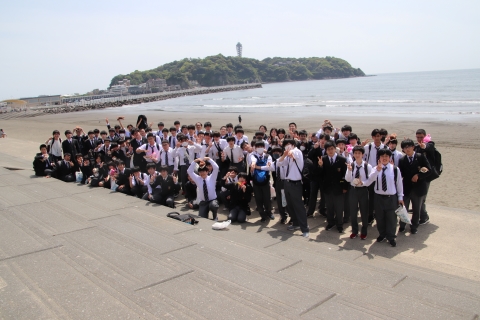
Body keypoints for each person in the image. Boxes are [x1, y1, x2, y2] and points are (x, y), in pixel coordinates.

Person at [276, 139, 309, 238]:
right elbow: (279, 163)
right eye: (285, 145)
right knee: (289, 205)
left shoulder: (297, 152)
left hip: (296, 184)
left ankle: (305, 228)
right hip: (287, 183)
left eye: (288, 145)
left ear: (293, 145)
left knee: (298, 206)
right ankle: (295, 223)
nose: (287, 147)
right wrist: (284, 155)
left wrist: (290, 152)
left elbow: (293, 152)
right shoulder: (287, 157)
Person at [398, 139, 432, 234]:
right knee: (403, 208)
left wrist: (419, 176)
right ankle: (402, 225)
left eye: (409, 146)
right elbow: (400, 174)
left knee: (416, 209)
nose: (407, 149)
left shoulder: (420, 157)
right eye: (405, 147)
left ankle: (414, 226)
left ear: (413, 147)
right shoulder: (402, 160)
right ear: (403, 150)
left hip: (418, 188)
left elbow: (429, 170)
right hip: (406, 188)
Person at [345, 146, 377, 240]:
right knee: (353, 212)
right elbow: (348, 179)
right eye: (355, 153)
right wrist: (349, 171)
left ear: (363, 155)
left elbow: (371, 179)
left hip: (363, 190)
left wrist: (364, 183)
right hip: (353, 190)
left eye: (359, 153)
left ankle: (364, 231)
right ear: (353, 154)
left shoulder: (367, 166)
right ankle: (354, 231)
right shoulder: (351, 165)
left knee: (364, 212)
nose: (357, 155)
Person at [374, 149, 404, 247]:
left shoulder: (395, 169)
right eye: (382, 156)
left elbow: (399, 184)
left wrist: (400, 197)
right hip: (379, 197)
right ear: (379, 158)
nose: (384, 158)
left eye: (387, 156)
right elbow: (369, 180)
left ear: (390, 157)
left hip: (391, 198)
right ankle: (382, 234)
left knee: (391, 219)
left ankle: (391, 237)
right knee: (380, 218)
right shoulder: (375, 169)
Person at [317, 141, 348, 233]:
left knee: (339, 208)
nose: (330, 151)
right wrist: (320, 166)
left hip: (339, 188)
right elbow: (320, 175)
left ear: (335, 149)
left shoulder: (342, 159)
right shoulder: (323, 159)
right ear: (326, 151)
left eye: (332, 149)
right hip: (327, 188)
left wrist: (344, 187)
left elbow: (345, 175)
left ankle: (339, 224)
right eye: (328, 149)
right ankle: (330, 223)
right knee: (329, 207)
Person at [364, 129, 386, 225]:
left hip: (382, 175)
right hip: (371, 175)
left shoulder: (385, 148)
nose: (377, 138)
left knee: (380, 195)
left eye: (379, 136)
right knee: (371, 196)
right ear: (372, 137)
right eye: (375, 136)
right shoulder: (367, 147)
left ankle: (379, 214)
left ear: (381, 137)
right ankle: (370, 215)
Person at [414, 129, 436, 225]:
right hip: (418, 176)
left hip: (426, 177)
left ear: (425, 136)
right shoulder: (417, 146)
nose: (419, 139)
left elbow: (429, 147)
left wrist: (424, 146)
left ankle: (424, 217)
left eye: (421, 137)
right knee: (417, 196)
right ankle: (419, 212)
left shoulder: (430, 144)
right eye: (418, 137)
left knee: (422, 198)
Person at [249, 141, 274, 222]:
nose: (259, 148)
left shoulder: (268, 156)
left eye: (261, 146)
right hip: (256, 181)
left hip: (265, 180)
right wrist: (253, 164)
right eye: (258, 147)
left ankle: (269, 213)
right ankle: (262, 215)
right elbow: (253, 161)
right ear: (255, 148)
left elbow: (269, 167)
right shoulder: (252, 155)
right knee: (258, 198)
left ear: (264, 148)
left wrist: (258, 167)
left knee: (267, 198)